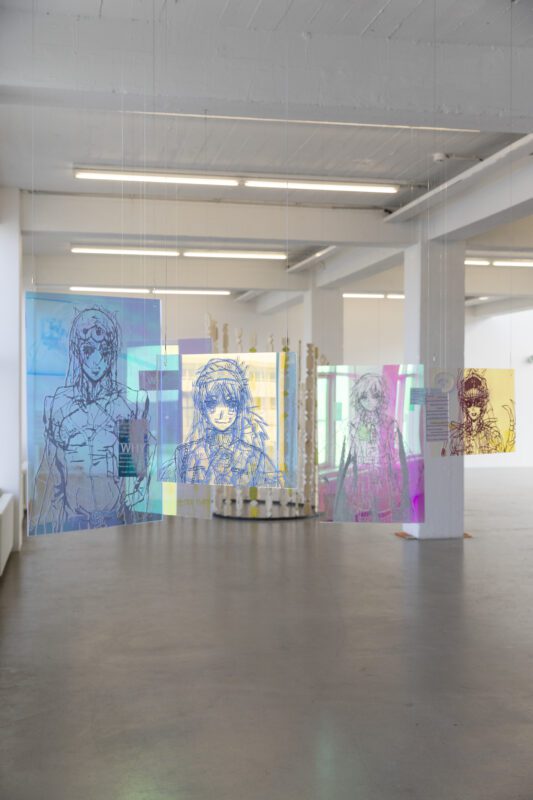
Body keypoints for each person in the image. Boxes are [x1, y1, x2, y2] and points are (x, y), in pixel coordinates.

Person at [30, 307, 153, 533]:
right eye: (88, 350)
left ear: (112, 353)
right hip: (71, 524)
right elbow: (51, 484)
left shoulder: (129, 405)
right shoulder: (59, 405)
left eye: (104, 351)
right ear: (77, 351)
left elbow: (137, 480)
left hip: (116, 523)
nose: (96, 360)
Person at [164, 358, 280, 487]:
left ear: (239, 407)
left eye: (231, 403)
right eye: (212, 403)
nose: (222, 413)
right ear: (202, 408)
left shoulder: (255, 457)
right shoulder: (185, 454)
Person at [333, 372, 410, 522]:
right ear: (358, 398)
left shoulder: (389, 423)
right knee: (362, 514)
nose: (369, 401)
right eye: (364, 397)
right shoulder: (354, 423)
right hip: (361, 477)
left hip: (384, 477)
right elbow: (350, 453)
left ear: (381, 398)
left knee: (384, 514)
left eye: (374, 396)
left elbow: (395, 452)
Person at [445, 369, 514, 455]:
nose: (473, 408)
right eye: (469, 403)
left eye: (477, 402)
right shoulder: (457, 437)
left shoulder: (492, 435)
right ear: (464, 406)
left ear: (483, 404)